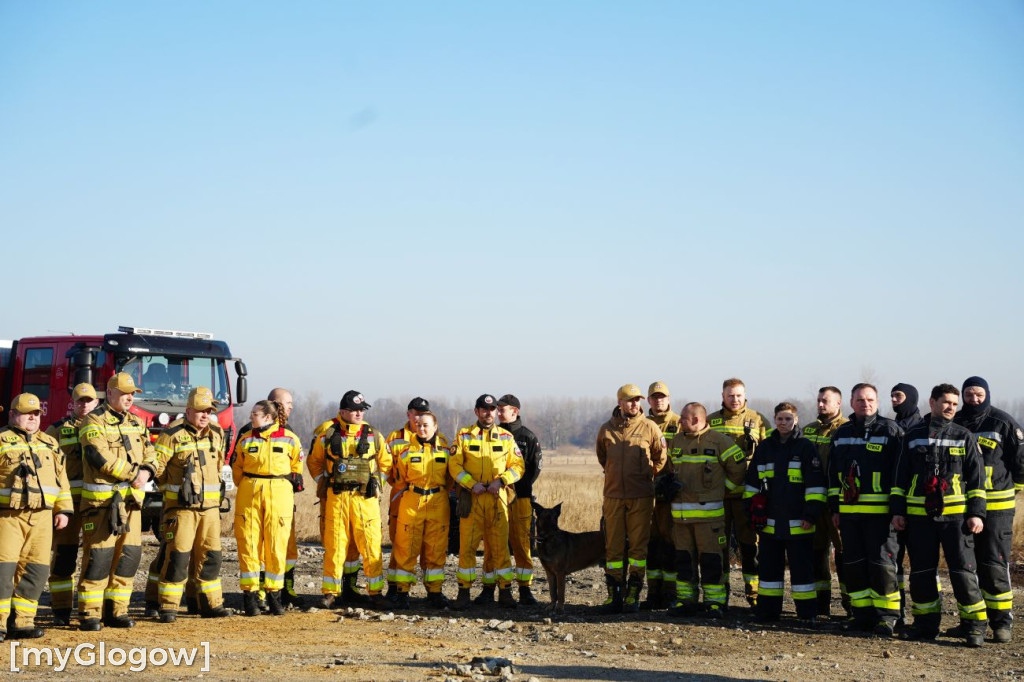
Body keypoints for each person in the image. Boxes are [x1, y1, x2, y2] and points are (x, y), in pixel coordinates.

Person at [892, 384, 987, 647]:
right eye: (946, 402)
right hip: (919, 518)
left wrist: (976, 514)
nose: (950, 408)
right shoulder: (911, 436)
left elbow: (977, 482)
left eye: (955, 404)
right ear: (932, 403)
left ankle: (974, 627)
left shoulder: (965, 436)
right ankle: (925, 625)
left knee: (964, 571)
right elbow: (899, 478)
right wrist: (898, 511)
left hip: (957, 520)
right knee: (922, 572)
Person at [77, 372, 157, 631]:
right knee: (98, 558)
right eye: (124, 393)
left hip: (132, 504)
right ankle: (90, 613)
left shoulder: (137, 421)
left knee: (128, 558)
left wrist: (147, 471)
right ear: (109, 393)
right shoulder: (93, 421)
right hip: (103, 505)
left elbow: (151, 452)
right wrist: (135, 474)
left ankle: (116, 611)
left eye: (132, 393)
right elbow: (97, 457)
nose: (129, 397)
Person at [148, 388, 233, 622]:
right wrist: (172, 497)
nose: (205, 415)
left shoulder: (217, 433)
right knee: (178, 558)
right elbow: (158, 470)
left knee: (211, 557)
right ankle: (168, 606)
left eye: (208, 411)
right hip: (182, 510)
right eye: (200, 410)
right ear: (188, 411)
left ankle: (210, 604)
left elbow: (218, 467)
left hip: (210, 510)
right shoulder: (171, 434)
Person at [827, 383, 903, 635]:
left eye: (870, 399)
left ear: (878, 402)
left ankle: (888, 617)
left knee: (882, 565)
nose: (865, 404)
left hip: (881, 516)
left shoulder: (891, 430)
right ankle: (862, 615)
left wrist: (896, 510)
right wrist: (835, 509)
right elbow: (832, 474)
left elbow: (898, 474)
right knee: (854, 565)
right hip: (849, 515)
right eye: (860, 400)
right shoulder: (841, 433)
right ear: (851, 403)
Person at [954, 376, 1024, 643]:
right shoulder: (957, 422)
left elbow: (1021, 463)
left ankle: (1001, 623)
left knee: (993, 565)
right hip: (963, 507)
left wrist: (1011, 490)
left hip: (997, 509)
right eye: (969, 394)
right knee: (965, 567)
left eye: (979, 394)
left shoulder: (1003, 422)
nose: (974, 399)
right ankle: (970, 621)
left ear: (987, 394)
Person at [307, 390, 392, 608]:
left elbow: (386, 462)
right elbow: (314, 462)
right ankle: (330, 593)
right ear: (342, 411)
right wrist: (322, 481)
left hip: (365, 499)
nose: (358, 414)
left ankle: (375, 593)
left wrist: (378, 482)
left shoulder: (373, 434)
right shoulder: (328, 433)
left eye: (361, 410)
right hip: (338, 497)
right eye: (354, 410)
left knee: (371, 545)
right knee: (335, 546)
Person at [744, 402, 825, 626]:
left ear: (796, 420)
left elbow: (816, 486)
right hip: (769, 522)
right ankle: (768, 613)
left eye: (788, 419)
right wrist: (752, 511)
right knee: (769, 572)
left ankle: (807, 613)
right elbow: (752, 484)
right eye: (780, 418)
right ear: (775, 419)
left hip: (800, 523)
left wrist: (811, 515)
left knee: (802, 573)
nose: (783, 422)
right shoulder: (765, 447)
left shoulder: (805, 447)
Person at [0, 394, 72, 641]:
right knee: (3, 572)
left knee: (36, 572)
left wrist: (63, 509)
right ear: (11, 414)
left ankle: (22, 622)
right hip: (8, 517)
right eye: (25, 412)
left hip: (42, 519)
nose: (32, 417)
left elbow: (61, 480)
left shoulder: (50, 443)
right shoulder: (1, 440)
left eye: (36, 413)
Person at [666, 402, 745, 618]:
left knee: (711, 561)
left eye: (682, 418)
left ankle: (714, 603)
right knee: (683, 561)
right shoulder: (677, 441)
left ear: (695, 419)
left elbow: (739, 470)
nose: (679, 421)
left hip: (709, 519)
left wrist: (722, 491)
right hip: (681, 519)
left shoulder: (719, 441)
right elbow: (671, 469)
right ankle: (686, 601)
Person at [449, 394, 525, 610]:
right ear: (477, 411)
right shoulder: (464, 435)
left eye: (492, 409)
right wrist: (471, 484)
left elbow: (518, 466)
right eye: (483, 409)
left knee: (500, 548)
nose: (488, 413)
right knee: (467, 548)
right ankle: (463, 592)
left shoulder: (506, 437)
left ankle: (505, 592)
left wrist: (501, 481)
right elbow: (454, 466)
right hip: (471, 499)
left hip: (496, 499)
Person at [595, 384, 666, 614]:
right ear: (620, 403)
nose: (634, 404)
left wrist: (646, 475)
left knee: (638, 547)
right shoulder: (606, 429)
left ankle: (633, 593)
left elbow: (660, 458)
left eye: (637, 400)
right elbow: (602, 458)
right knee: (613, 547)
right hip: (614, 496)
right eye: (629, 400)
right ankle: (614, 594)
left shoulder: (650, 427)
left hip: (641, 497)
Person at [231, 399, 303, 616]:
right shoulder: (245, 439)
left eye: (255, 414)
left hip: (279, 492)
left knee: (276, 545)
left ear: (269, 417)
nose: (251, 417)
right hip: (249, 492)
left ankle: (274, 597)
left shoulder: (290, 439)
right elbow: (237, 469)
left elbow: (296, 467)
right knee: (248, 544)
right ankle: (250, 599)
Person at [708, 378, 770, 607]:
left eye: (738, 395)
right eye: (730, 395)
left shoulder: (759, 420)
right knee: (719, 545)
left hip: (748, 496)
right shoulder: (711, 420)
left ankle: (753, 595)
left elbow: (771, 452)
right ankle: (720, 594)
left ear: (745, 396)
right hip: (719, 495)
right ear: (722, 396)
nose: (735, 400)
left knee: (749, 546)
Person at [45, 382, 98, 625]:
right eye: (80, 401)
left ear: (97, 402)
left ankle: (92, 610)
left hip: (96, 505)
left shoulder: (104, 428)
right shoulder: (56, 431)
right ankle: (61, 609)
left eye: (89, 400)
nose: (84, 405)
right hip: (68, 506)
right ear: (73, 403)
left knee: (96, 557)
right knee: (64, 556)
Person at [388, 411, 452, 609]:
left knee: (435, 549)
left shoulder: (446, 451)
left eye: (426, 425)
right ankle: (402, 592)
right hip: (412, 501)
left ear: (435, 426)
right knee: (406, 547)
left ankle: (434, 592)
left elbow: (451, 479)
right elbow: (398, 480)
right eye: (419, 425)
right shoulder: (406, 452)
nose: (422, 429)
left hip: (438, 502)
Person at [802, 386, 849, 618]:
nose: (821, 405)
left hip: (837, 503)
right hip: (813, 503)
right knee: (816, 552)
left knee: (844, 554)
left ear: (838, 404)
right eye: (819, 400)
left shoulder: (847, 429)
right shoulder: (808, 430)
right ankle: (822, 605)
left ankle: (851, 605)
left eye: (826, 401)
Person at [497, 393, 543, 606]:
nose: (498, 413)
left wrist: (519, 487)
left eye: (502, 409)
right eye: (497, 409)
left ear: (514, 411)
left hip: (521, 498)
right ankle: (497, 589)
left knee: (522, 544)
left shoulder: (527, 437)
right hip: (496, 497)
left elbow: (535, 468)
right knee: (496, 543)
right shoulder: (492, 434)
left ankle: (525, 589)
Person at [384, 397, 431, 601]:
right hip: (401, 498)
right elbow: (385, 466)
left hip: (429, 501)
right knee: (400, 544)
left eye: (424, 414)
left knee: (430, 546)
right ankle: (395, 588)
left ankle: (433, 590)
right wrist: (400, 484)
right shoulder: (395, 438)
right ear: (408, 414)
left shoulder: (435, 436)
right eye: (416, 413)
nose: (419, 417)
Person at [644, 381, 680, 610]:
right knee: (651, 542)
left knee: (670, 542)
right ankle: (653, 592)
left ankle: (670, 592)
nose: (659, 400)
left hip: (670, 493)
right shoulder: (643, 424)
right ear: (648, 400)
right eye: (655, 397)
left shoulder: (679, 422)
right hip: (647, 492)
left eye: (663, 397)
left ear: (669, 398)